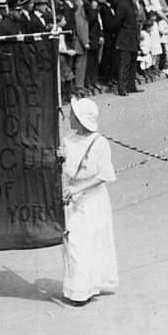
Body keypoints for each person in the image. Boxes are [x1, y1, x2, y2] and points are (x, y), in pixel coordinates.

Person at [61, 97, 118, 306]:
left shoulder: (99, 143)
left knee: (85, 242)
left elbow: (105, 175)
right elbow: (67, 165)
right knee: (74, 242)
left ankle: (83, 290)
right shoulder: (68, 140)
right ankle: (80, 287)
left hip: (93, 199)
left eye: (73, 115)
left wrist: (78, 188)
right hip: (73, 197)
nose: (69, 118)